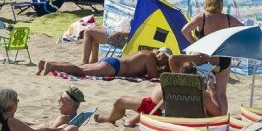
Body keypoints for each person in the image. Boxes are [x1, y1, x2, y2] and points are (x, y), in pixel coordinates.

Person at [37, 47, 169, 81]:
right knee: (80, 71)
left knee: (80, 67)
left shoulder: (146, 52)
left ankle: (48, 63)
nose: (163, 61)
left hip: (112, 62)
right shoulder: (151, 57)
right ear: (161, 54)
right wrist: (166, 70)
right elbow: (152, 76)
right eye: (164, 58)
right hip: (114, 68)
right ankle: (52, 65)